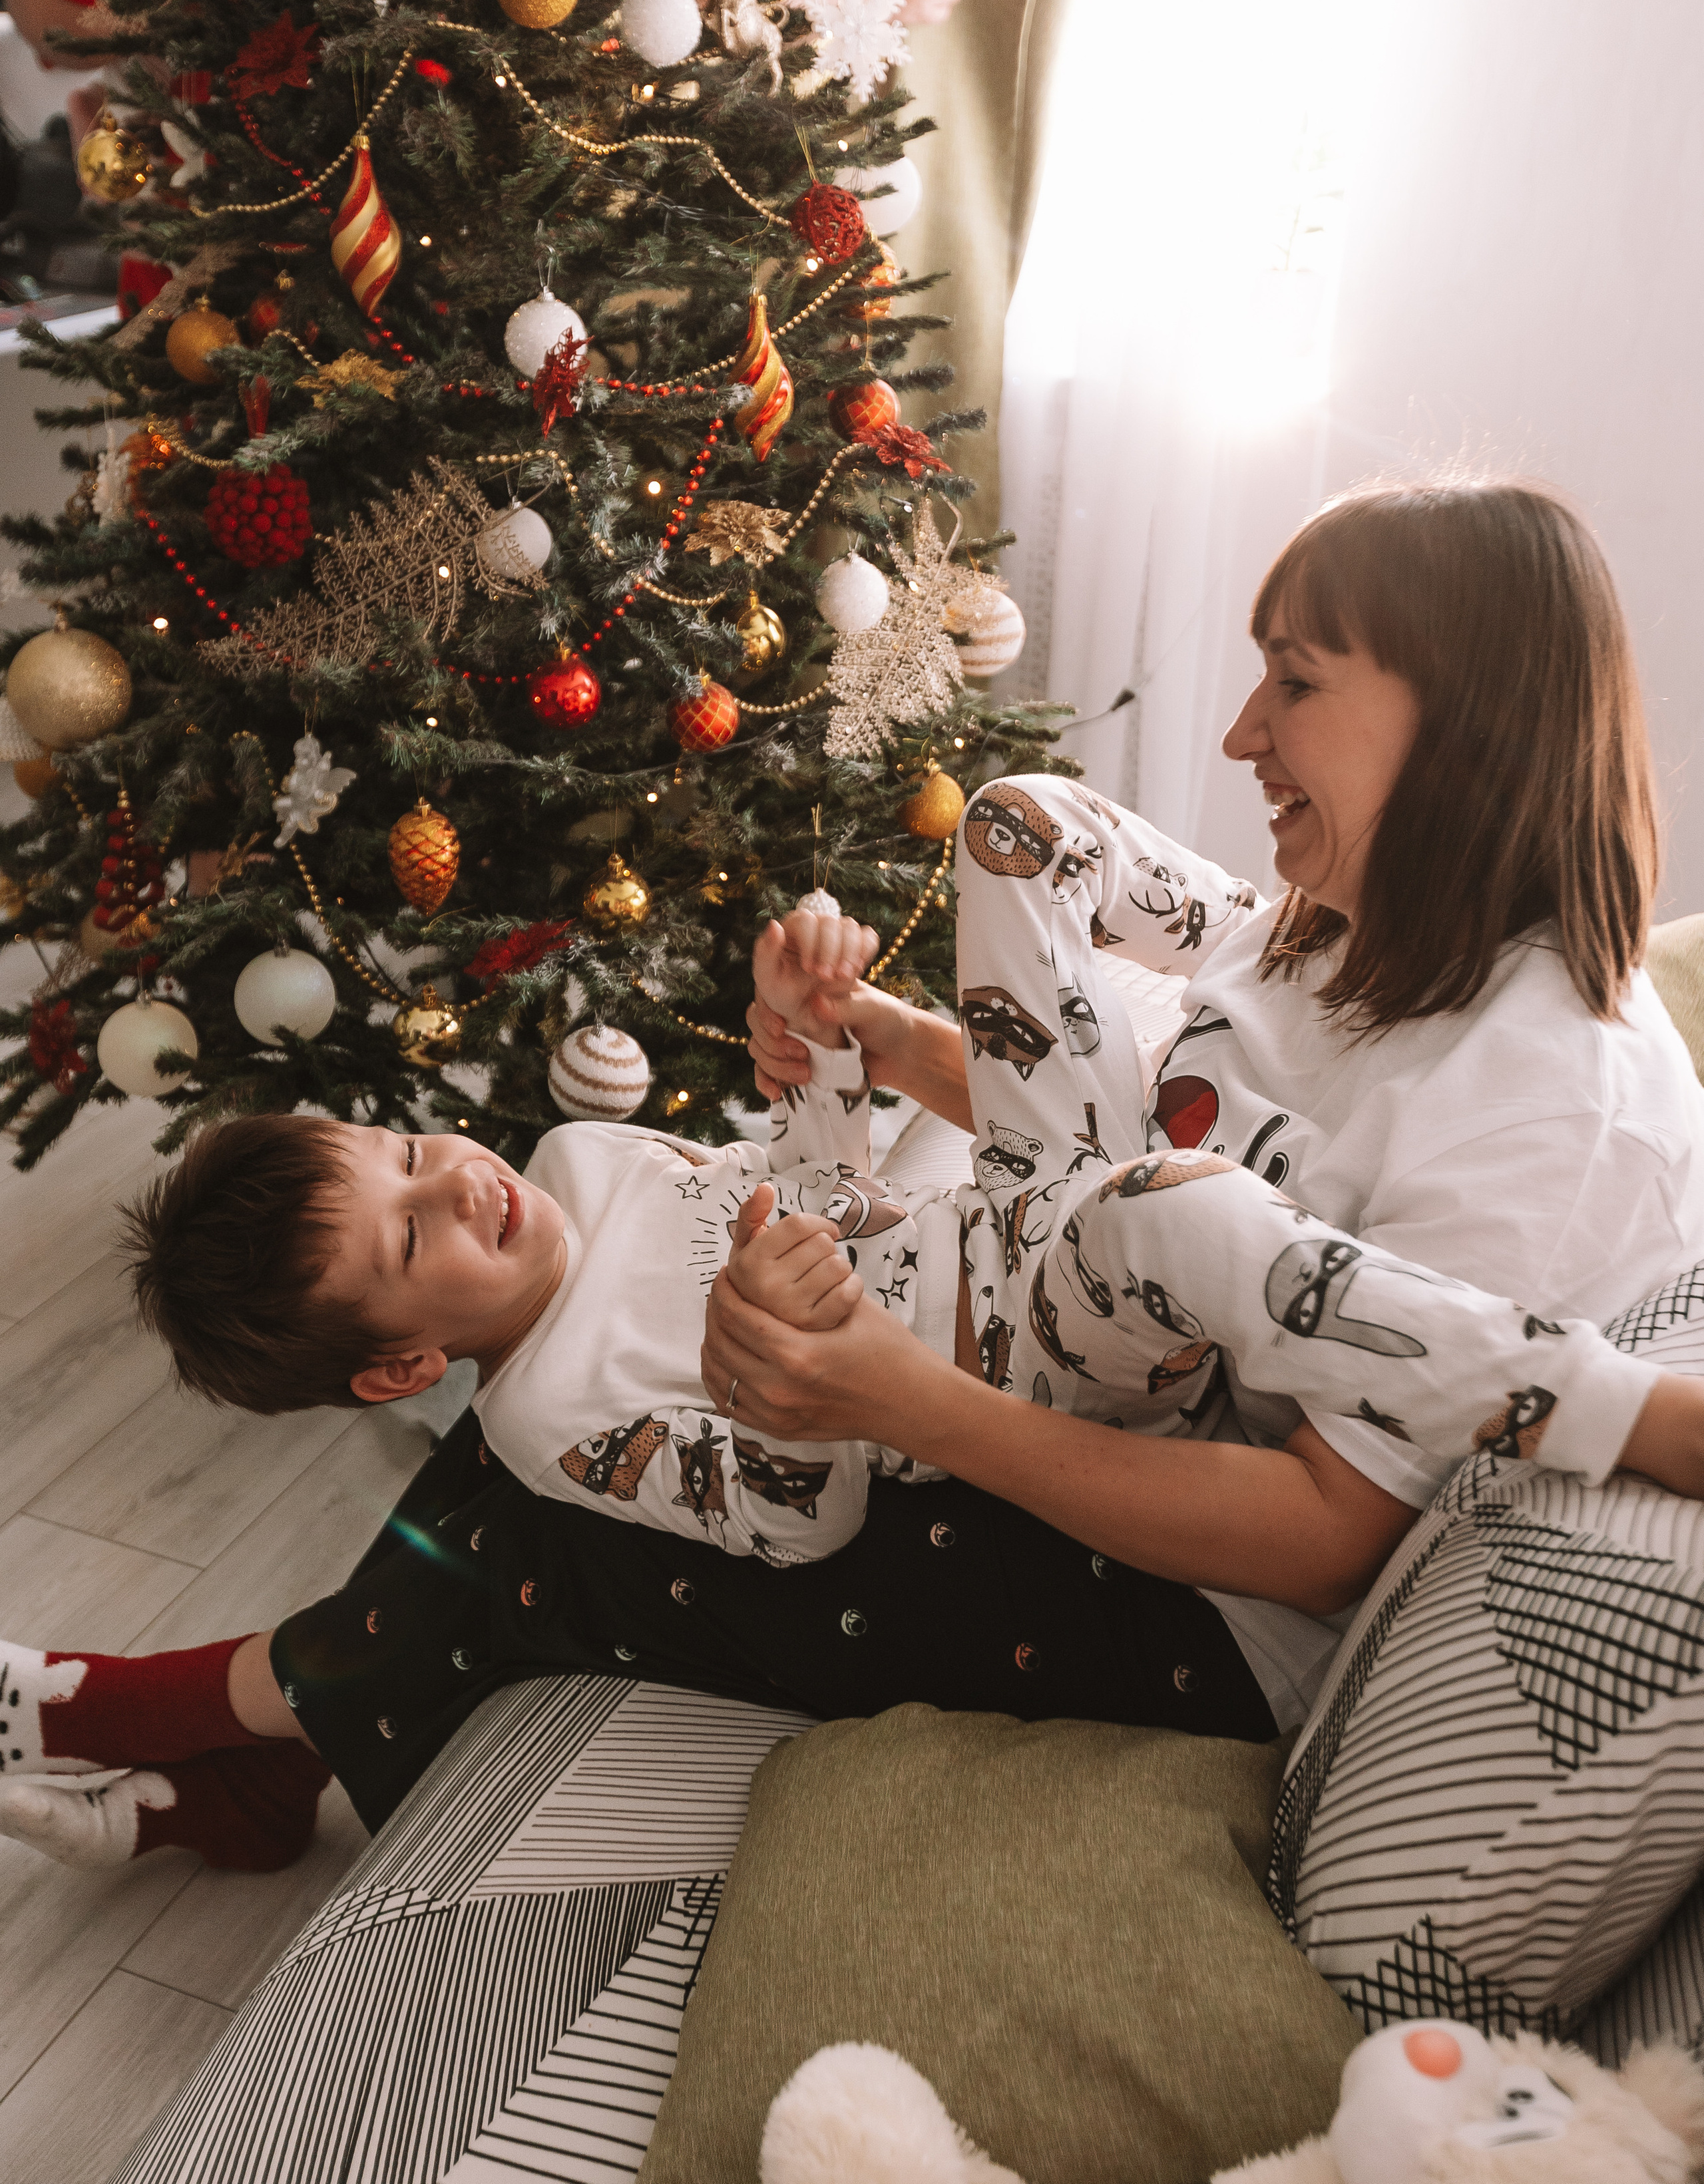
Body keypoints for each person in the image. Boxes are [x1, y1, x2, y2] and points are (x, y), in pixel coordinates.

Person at [3, 472, 1702, 1878]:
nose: (1242, 727)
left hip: (1206, 1579)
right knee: (564, 1372)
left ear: (1463, 720)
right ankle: (235, 1743)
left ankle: (203, 1724)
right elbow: (1147, 1139)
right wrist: (877, 1046)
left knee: (553, 1528)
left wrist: (897, 1396)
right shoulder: (1355, 921)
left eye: (1297, 680)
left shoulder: (1548, 1108)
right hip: (1088, 1282)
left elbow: (1324, 1538)